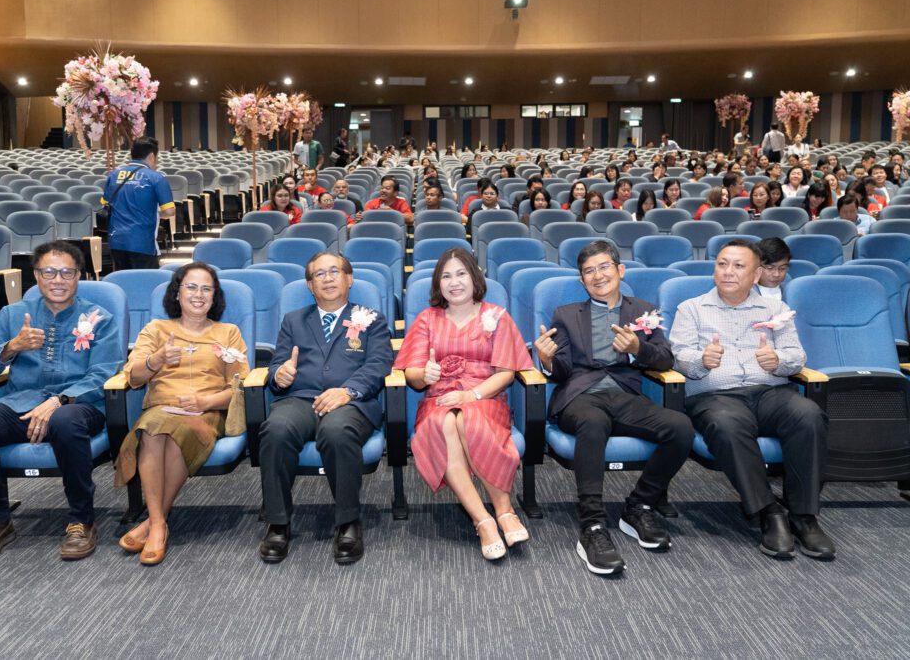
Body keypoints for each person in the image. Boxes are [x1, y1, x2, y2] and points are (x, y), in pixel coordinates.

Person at [0, 241, 123, 562]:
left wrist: (60, 400)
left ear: (79, 276)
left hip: (79, 405)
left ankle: (81, 520)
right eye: (49, 272)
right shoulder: (12, 315)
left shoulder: (99, 318)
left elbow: (104, 373)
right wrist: (11, 347)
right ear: (36, 275)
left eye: (67, 272)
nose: (58, 280)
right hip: (21, 404)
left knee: (65, 420)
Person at [669, 239, 834, 560]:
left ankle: (804, 515)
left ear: (756, 274)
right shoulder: (691, 308)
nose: (728, 272)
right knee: (727, 424)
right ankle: (768, 512)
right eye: (722, 264)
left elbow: (796, 355)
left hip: (770, 393)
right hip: (716, 396)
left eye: (738, 266)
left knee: (808, 414)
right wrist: (701, 360)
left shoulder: (776, 310)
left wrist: (779, 360)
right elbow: (678, 355)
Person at [536, 241, 693, 575]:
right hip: (580, 396)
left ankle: (638, 506)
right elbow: (562, 370)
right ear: (581, 280)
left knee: (680, 428)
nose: (598, 276)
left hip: (625, 396)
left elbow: (665, 358)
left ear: (620, 270)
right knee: (592, 422)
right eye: (589, 271)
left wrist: (638, 348)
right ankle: (592, 525)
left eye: (604, 267)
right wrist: (547, 361)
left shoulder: (644, 311)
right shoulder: (566, 315)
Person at [393, 248, 532, 560]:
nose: (454, 282)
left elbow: (506, 373)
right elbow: (412, 374)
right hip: (439, 398)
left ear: (475, 277)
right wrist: (424, 374)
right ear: (438, 284)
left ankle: (504, 510)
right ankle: (483, 520)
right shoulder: (427, 319)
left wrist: (472, 396)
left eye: (461, 274)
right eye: (446, 276)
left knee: (466, 419)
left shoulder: (496, 316)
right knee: (445, 422)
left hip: (485, 396)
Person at [258, 252, 393, 564]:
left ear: (349, 279)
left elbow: (379, 364)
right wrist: (279, 374)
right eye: (320, 274)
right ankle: (278, 522)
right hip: (300, 399)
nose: (328, 278)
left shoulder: (370, 318)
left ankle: (347, 521)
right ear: (310, 285)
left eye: (335, 271)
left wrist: (347, 391)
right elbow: (277, 364)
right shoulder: (293, 320)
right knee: (275, 430)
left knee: (336, 431)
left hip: (351, 402)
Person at [115, 263, 249, 565]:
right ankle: (158, 523)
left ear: (214, 297)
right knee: (153, 428)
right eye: (191, 287)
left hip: (206, 412)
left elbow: (240, 387)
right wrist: (157, 359)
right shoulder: (156, 330)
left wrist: (206, 401)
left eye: (206, 289)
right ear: (177, 293)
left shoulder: (228, 332)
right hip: (161, 408)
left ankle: (153, 523)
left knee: (175, 432)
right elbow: (133, 377)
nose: (198, 295)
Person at [102, 137, 176, 271]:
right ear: (152, 156)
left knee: (121, 279)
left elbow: (105, 203)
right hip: (142, 241)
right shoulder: (156, 178)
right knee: (145, 280)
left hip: (116, 240)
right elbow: (170, 211)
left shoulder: (113, 175)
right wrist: (157, 214)